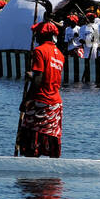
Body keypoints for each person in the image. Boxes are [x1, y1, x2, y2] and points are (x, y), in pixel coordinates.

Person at [17, 21, 65, 158]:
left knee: (30, 140)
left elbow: (38, 80)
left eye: (38, 33)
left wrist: (26, 101)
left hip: (40, 100)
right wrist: (32, 75)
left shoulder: (39, 51)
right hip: (55, 104)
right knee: (51, 137)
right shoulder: (60, 54)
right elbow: (48, 75)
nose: (36, 36)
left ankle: (29, 177)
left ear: (44, 35)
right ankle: (50, 176)